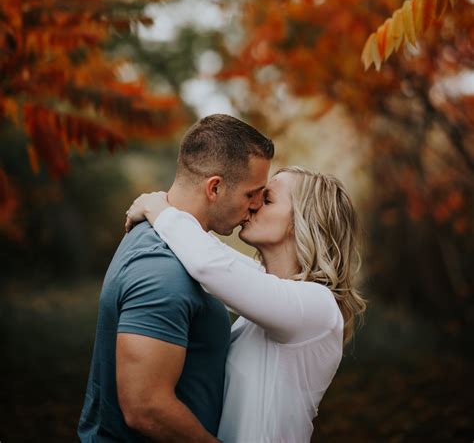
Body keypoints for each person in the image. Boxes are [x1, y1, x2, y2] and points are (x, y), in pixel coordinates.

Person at [126, 166, 367, 443]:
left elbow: (210, 266)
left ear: (302, 220)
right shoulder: (265, 304)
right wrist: (160, 207)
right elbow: (217, 256)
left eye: (267, 200)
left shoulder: (317, 306)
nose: (252, 206)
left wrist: (158, 208)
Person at [78, 113, 274, 442]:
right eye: (251, 194)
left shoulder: (182, 244)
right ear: (215, 187)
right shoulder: (161, 268)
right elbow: (146, 406)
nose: (256, 206)